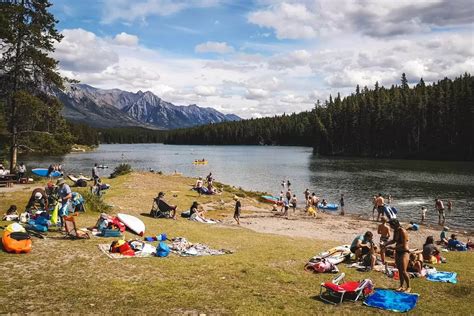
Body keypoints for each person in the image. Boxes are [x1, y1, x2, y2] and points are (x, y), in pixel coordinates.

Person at [385, 219, 410, 293]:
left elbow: (404, 245)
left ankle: (408, 287)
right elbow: (394, 240)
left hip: (404, 252)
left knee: (404, 271)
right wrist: (386, 244)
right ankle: (401, 286)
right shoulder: (396, 230)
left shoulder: (403, 231)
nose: (390, 226)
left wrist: (393, 248)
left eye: (391, 225)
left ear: (395, 224)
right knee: (399, 270)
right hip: (398, 251)